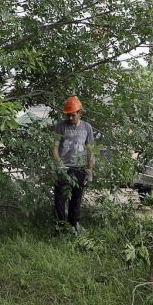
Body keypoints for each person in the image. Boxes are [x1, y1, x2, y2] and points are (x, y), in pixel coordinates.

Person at [51, 96, 95, 234]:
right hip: (64, 168)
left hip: (79, 169)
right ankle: (61, 226)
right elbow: (55, 148)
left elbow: (90, 151)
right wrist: (59, 164)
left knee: (76, 199)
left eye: (73, 115)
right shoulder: (60, 126)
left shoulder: (87, 127)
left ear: (79, 113)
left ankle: (73, 224)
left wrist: (89, 171)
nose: (70, 118)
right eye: (68, 115)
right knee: (60, 199)